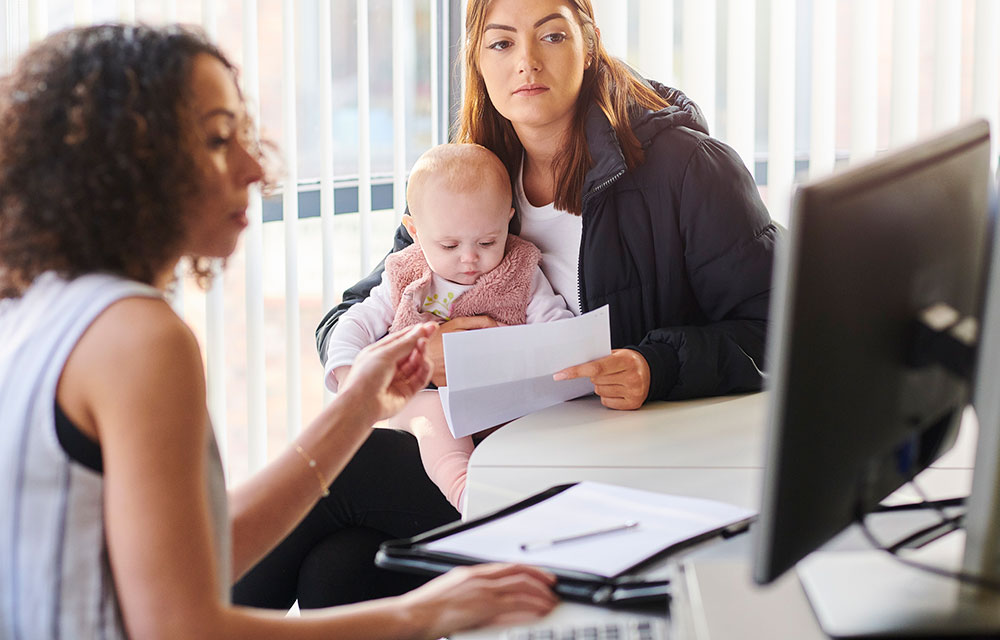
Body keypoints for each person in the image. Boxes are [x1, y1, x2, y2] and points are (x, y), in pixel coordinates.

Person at [0, 24, 558, 639]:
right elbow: (180, 629)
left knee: (340, 569)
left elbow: (195, 554)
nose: (256, 164)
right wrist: (427, 613)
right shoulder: (137, 339)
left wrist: (364, 402)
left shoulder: (41, 307)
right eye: (218, 139)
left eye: (243, 132)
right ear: (130, 167)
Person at [241, 0, 777, 609]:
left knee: (348, 470)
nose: (526, 62)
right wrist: (420, 352)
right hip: (495, 454)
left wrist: (658, 365)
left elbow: (783, 329)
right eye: (501, 44)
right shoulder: (474, 174)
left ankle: (176, 619)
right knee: (340, 569)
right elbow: (357, 311)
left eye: (551, 35)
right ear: (477, 60)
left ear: (588, 41)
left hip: (612, 474)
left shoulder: (685, 169)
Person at [325, 143, 574, 512]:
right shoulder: (406, 273)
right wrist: (350, 377)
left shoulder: (521, 270)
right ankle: (465, 492)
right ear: (414, 230)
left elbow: (555, 328)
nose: (470, 258)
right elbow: (355, 322)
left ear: (508, 219)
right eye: (449, 244)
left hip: (502, 403)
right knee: (433, 416)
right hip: (424, 400)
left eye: (487, 241)